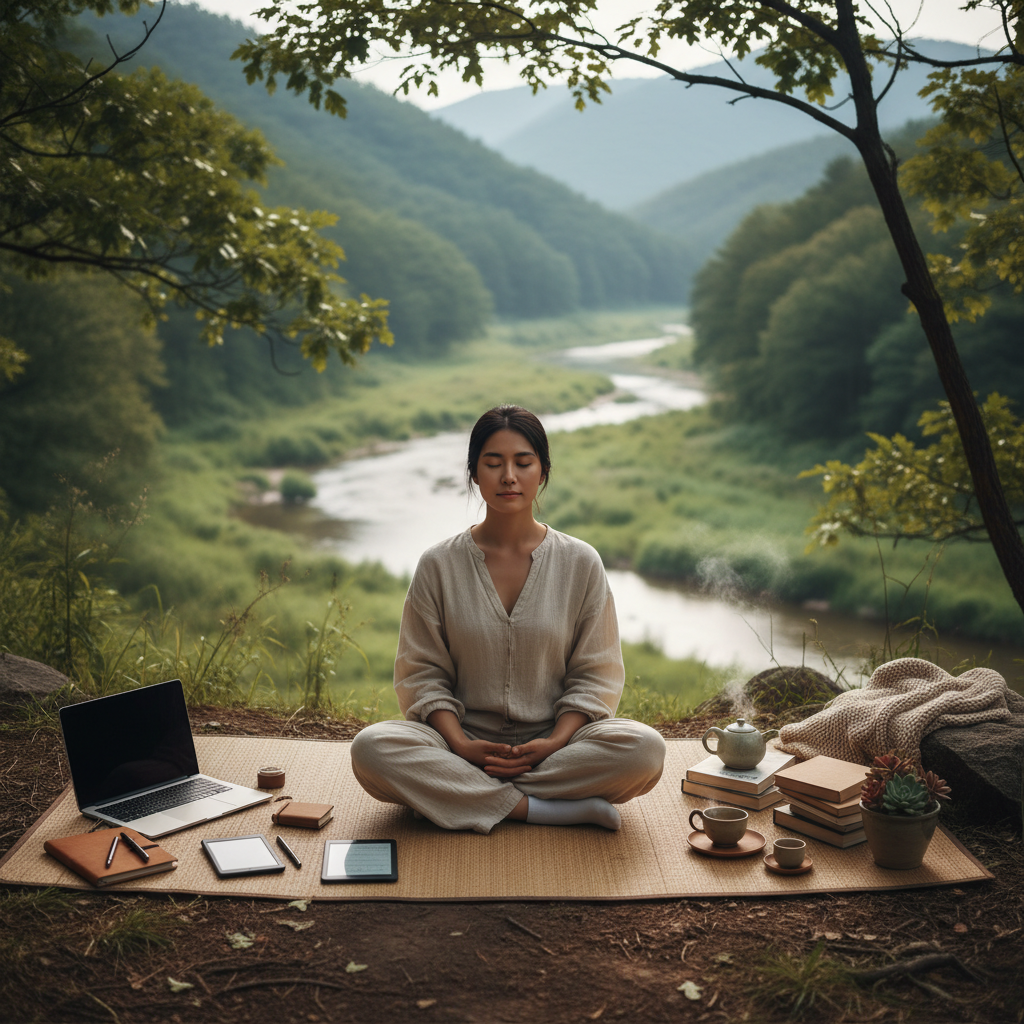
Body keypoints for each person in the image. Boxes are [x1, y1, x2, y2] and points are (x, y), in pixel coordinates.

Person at [350, 405, 666, 834]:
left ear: (543, 471)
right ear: (474, 473)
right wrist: (461, 745)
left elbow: (596, 675)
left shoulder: (581, 562)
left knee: (644, 750)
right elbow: (422, 675)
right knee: (372, 749)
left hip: (558, 743)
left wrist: (554, 741)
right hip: (457, 741)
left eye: (523, 462)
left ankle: (453, 796)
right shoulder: (438, 565)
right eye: (493, 463)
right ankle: (542, 808)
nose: (508, 477)